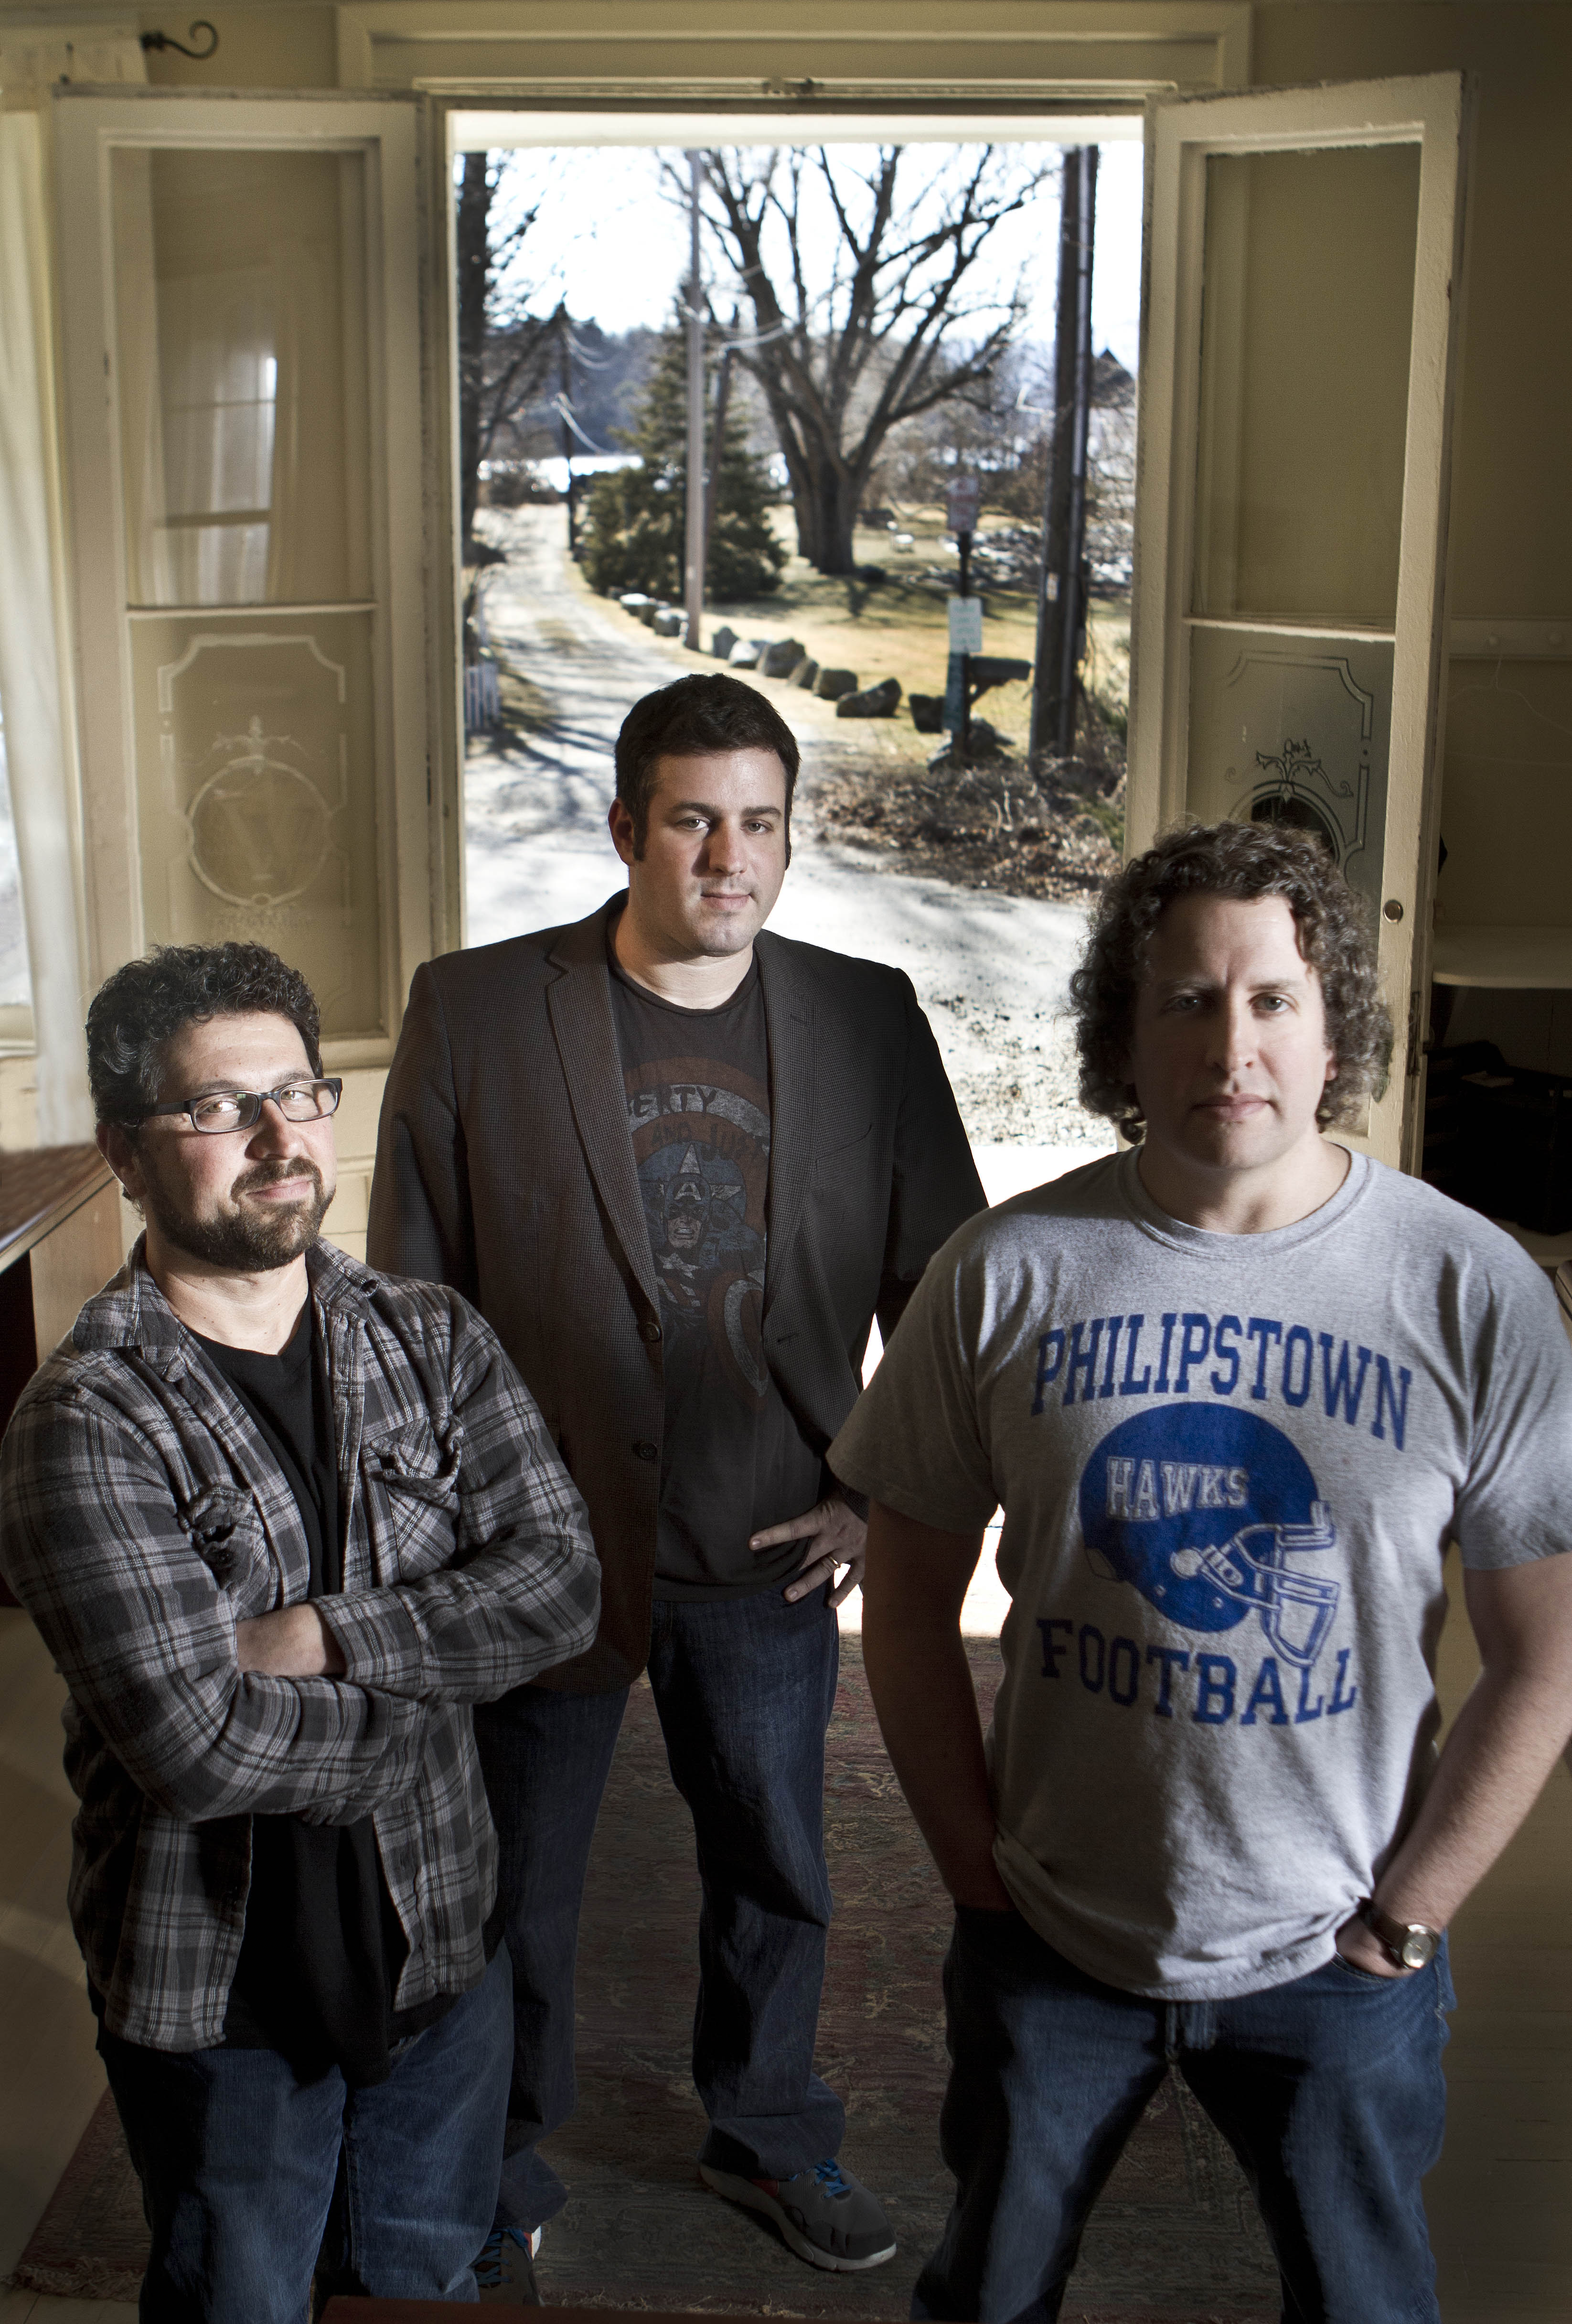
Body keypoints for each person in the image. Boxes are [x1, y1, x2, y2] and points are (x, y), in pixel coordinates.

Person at [830, 820, 1572, 2323]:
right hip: (1050, 1935)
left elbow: (1545, 1656)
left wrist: (1407, 1914)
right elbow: (901, 1606)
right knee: (989, 2298)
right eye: (1186, 1000)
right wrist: (974, 1870)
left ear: (1331, 1031)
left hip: (1340, 1956)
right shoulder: (1004, 1273)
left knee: (1363, 2305)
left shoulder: (1468, 1288)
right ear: (1123, 1035)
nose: (1231, 1046)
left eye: (1271, 999)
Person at [368, 671, 985, 2284]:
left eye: (759, 824)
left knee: (776, 1863)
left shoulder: (867, 1018)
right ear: (626, 828)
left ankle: (768, 2130)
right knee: (510, 1887)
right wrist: (447, 1528)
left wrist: (874, 1495)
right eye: (695, 822)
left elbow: (946, 1294)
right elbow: (412, 1304)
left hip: (767, 1537)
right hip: (534, 1545)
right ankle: (496, 2161)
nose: (730, 858)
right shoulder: (477, 1008)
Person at [0, 943, 600, 2321]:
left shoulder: (432, 1338)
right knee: (241, 2301)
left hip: (439, 1947)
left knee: (422, 2284)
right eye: (220, 1108)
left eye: (300, 1093)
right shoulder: (84, 1419)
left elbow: (563, 1590)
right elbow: (199, 1748)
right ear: (127, 1154)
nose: (280, 1140)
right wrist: (438, 1689)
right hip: (222, 2000)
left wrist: (322, 1634)